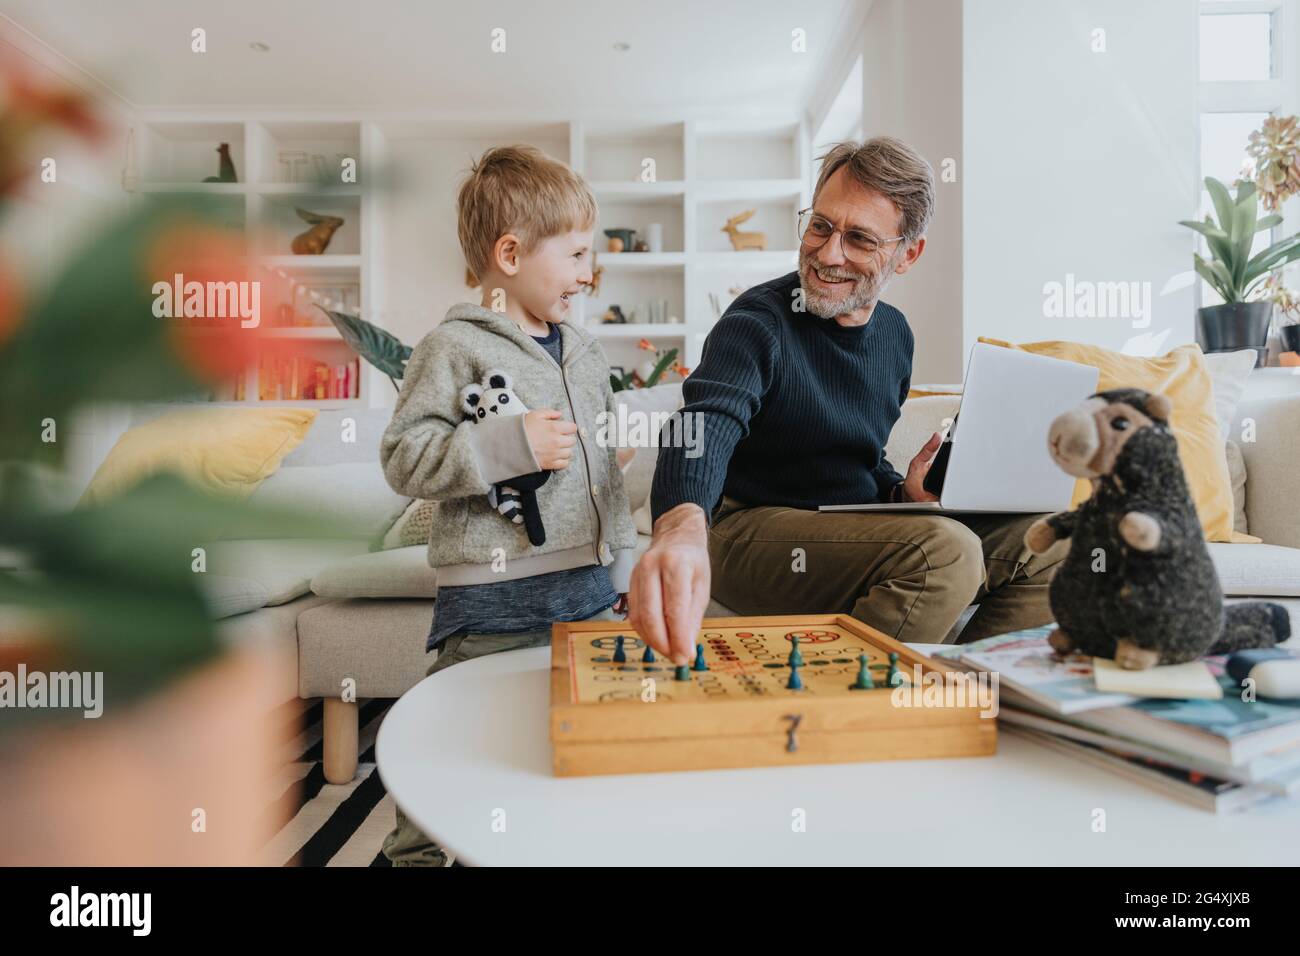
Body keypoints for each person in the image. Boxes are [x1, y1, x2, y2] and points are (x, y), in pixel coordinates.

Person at [629, 136, 1070, 666]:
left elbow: (857, 457)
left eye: (859, 238)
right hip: (747, 528)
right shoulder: (757, 323)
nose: (827, 253)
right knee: (945, 553)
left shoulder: (895, 336)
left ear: (908, 253)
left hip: (847, 528)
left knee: (1055, 542)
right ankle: (844, 700)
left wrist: (903, 497)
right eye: (820, 225)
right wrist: (680, 527)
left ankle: (966, 685)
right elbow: (704, 424)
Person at [379, 145, 637, 865]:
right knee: (453, 759)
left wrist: (621, 557)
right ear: (512, 252)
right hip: (490, 612)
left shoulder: (584, 353)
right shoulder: (451, 348)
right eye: (579, 254)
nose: (591, 273)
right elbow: (404, 457)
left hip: (585, 600)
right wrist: (502, 446)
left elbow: (603, 480)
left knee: (567, 762)